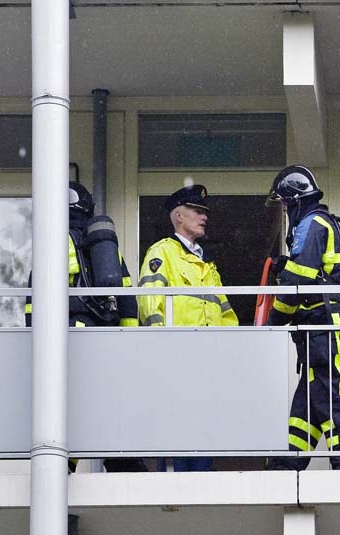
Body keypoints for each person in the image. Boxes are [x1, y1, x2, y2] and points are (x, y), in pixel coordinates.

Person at [25, 181, 146, 473]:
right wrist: (126, 339)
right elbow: (127, 295)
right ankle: (121, 460)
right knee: (106, 396)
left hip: (67, 331)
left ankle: (62, 464)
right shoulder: (105, 246)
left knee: (67, 402)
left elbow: (36, 298)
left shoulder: (53, 241)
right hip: (103, 333)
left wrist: (31, 334)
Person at [266, 165, 340, 471]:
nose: (284, 210)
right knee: (308, 403)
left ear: (294, 200)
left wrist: (275, 318)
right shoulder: (324, 223)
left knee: (332, 395)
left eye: (284, 203)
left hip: (324, 327)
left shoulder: (311, 225)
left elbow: (299, 280)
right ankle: (285, 467)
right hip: (321, 328)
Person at [138, 184, 238, 471]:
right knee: (179, 427)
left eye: (204, 212)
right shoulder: (163, 252)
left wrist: (232, 353)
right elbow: (149, 304)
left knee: (204, 427)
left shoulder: (207, 264)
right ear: (179, 215)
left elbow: (226, 314)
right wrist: (165, 349)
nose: (204, 217)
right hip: (178, 358)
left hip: (208, 362)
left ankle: (200, 483)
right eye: (197, 211)